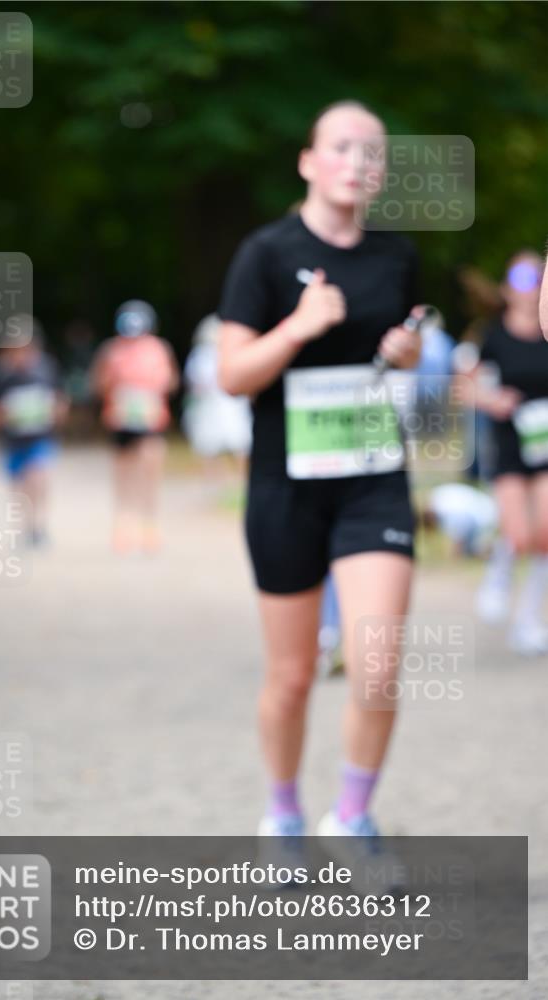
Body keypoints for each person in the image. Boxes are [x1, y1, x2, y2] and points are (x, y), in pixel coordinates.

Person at [218, 101, 422, 851]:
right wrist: (298, 326)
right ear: (307, 161)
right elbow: (231, 374)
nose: (358, 161)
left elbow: (399, 351)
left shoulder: (395, 256)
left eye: (373, 152)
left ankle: (353, 815)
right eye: (341, 146)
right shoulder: (265, 254)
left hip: (372, 477)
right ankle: (281, 813)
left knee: (375, 664)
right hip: (286, 486)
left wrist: (406, 354)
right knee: (294, 675)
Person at [462, 252, 548, 654]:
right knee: (518, 532)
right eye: (522, 278)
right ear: (506, 289)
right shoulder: (492, 336)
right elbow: (464, 387)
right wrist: (493, 400)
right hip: (510, 444)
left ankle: (529, 619)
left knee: (545, 535)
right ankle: (499, 568)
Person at [89, 300, 179, 553]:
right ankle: (123, 527)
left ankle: (149, 527)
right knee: (124, 477)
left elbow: (171, 382)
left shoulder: (159, 349)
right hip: (122, 421)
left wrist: (150, 392)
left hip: (150, 421)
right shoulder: (111, 350)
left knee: (149, 475)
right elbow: (98, 384)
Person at [0, 315, 69, 545]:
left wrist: (54, 411)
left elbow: (61, 400)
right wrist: (3, 414)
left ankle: (38, 526)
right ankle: (24, 528)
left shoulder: (47, 368)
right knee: (19, 485)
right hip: (12, 440)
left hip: (41, 437)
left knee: (38, 477)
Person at [182, 313, 252, 481]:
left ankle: (240, 477)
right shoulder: (203, 354)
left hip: (230, 403)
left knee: (238, 440)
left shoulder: (229, 351)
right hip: (212, 405)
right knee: (210, 442)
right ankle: (214, 478)